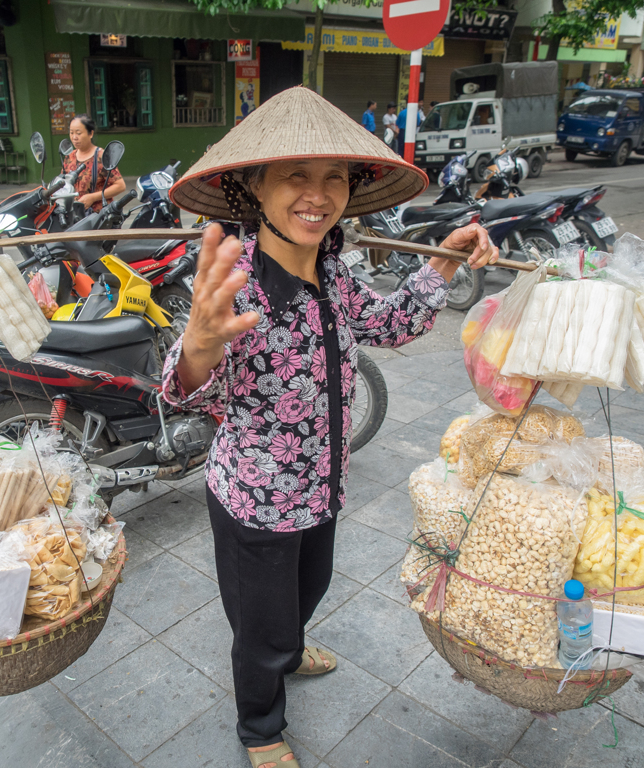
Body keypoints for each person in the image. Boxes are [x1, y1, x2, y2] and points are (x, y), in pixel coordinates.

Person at [165, 86, 498, 768]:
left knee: (306, 592)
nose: (318, 194)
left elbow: (391, 322)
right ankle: (260, 726)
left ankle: (289, 647)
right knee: (257, 628)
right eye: (295, 176)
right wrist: (199, 345)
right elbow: (187, 391)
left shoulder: (335, 275)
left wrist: (442, 261)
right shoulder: (238, 288)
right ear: (254, 187)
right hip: (256, 501)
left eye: (334, 178)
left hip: (322, 487)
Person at [62, 114, 126, 212]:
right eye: (71, 133)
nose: (74, 137)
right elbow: (63, 183)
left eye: (78, 133)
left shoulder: (101, 157)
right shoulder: (69, 157)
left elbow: (120, 186)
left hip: (98, 217)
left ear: (91, 134)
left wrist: (93, 197)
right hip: (75, 217)